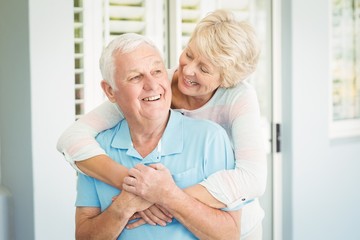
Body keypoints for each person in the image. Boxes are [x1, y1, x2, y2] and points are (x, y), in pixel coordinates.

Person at [58, 9, 266, 239]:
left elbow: (252, 178)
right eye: (189, 54)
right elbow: (72, 138)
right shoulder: (155, 85)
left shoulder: (236, 99)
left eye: (204, 69)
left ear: (225, 80)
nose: (187, 70)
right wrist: (136, 186)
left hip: (236, 224)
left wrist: (166, 196)